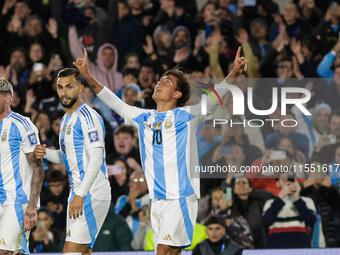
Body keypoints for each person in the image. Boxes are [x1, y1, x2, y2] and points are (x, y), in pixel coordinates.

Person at [73, 47, 247, 255]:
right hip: (157, 200)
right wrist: (87, 75)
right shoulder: (143, 118)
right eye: (160, 80)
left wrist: (235, 72)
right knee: (168, 252)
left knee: (164, 251)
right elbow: (112, 100)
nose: (159, 83)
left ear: (177, 94)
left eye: (167, 82)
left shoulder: (188, 116)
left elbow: (214, 97)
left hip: (180, 195)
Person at [34, 68, 111, 255]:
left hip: (90, 192)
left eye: (69, 87)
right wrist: (46, 154)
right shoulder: (66, 118)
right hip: (79, 192)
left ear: (81, 88)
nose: (63, 92)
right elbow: (68, 156)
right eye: (60, 87)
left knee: (70, 251)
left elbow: (95, 158)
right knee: (82, 252)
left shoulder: (89, 117)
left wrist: (81, 195)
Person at [0, 78, 44, 254]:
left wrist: (32, 208)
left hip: (18, 200)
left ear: (8, 98)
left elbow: (38, 167)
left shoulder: (21, 124)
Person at [262, 172, 317, 248]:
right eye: (284, 180)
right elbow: (266, 220)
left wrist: (297, 198)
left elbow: (311, 221)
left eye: (291, 179)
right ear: (278, 183)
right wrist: (281, 196)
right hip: (276, 248)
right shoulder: (270, 202)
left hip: (301, 248)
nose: (287, 183)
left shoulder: (307, 201)